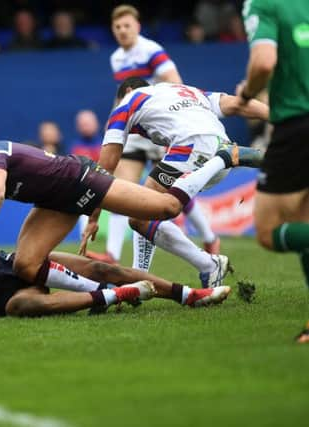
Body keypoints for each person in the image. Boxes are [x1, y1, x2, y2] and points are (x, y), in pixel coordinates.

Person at [0, 125, 248, 293]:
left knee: (164, 207)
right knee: (25, 266)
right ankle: (104, 293)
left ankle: (221, 158)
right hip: (54, 201)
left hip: (81, 180)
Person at [0, 213, 230, 321]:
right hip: (3, 300)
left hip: (10, 267)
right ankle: (115, 298)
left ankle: (189, 294)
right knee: (24, 307)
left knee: (99, 268)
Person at [94, 77, 267, 287]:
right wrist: (277, 116)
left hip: (191, 148)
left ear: (128, 90)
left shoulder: (126, 103)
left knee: (141, 211)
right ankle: (139, 277)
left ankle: (207, 265)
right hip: (219, 146)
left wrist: (93, 217)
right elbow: (235, 103)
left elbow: (105, 167)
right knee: (145, 211)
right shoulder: (186, 91)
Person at [108, 4, 220, 267]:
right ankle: (112, 256)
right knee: (122, 187)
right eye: (117, 27)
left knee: (169, 190)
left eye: (127, 25)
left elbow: (175, 82)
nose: (123, 30)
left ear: (137, 26)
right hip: (137, 130)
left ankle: (209, 237)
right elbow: (124, 96)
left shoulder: (151, 51)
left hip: (160, 128)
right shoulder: (116, 58)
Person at [238, 0, 309, 343]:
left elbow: (264, 62)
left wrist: (248, 92)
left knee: (269, 231)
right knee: (304, 222)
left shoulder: (264, 3)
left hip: (298, 125)